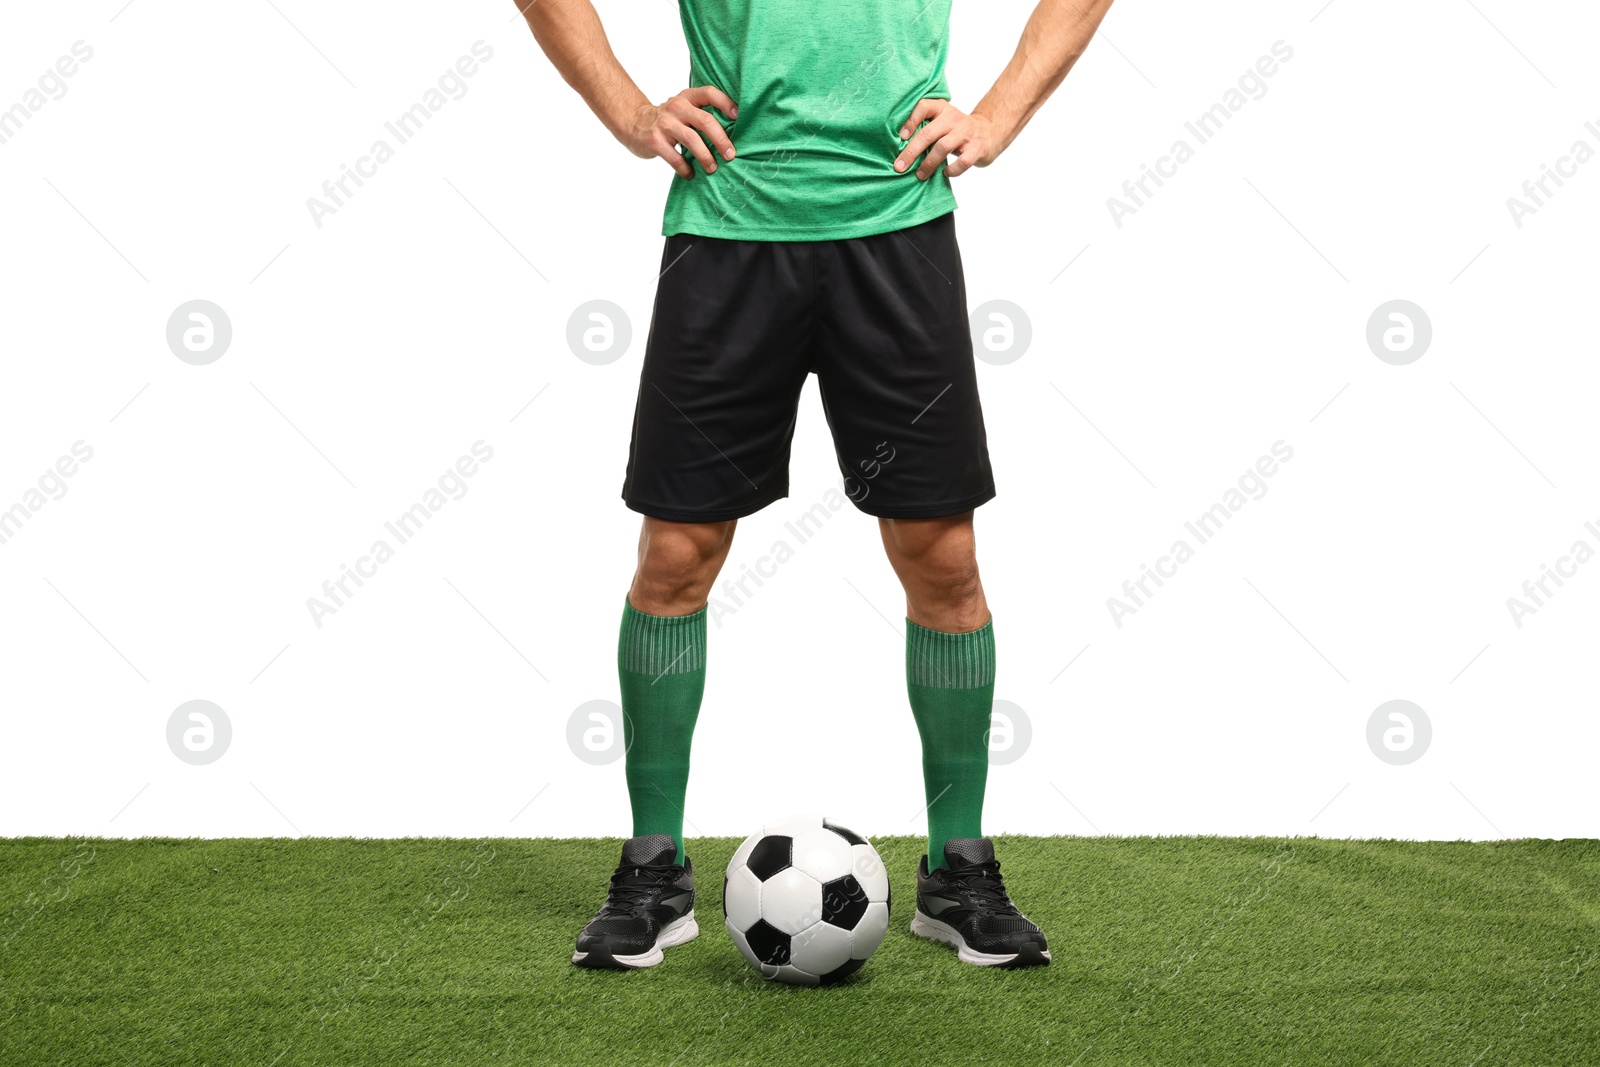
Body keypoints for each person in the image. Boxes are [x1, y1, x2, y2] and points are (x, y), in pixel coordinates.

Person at [516, 0, 1115, 971]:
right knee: (676, 554)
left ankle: (956, 868)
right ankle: (654, 867)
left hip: (897, 226)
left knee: (943, 559)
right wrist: (632, 113)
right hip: (727, 226)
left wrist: (996, 114)